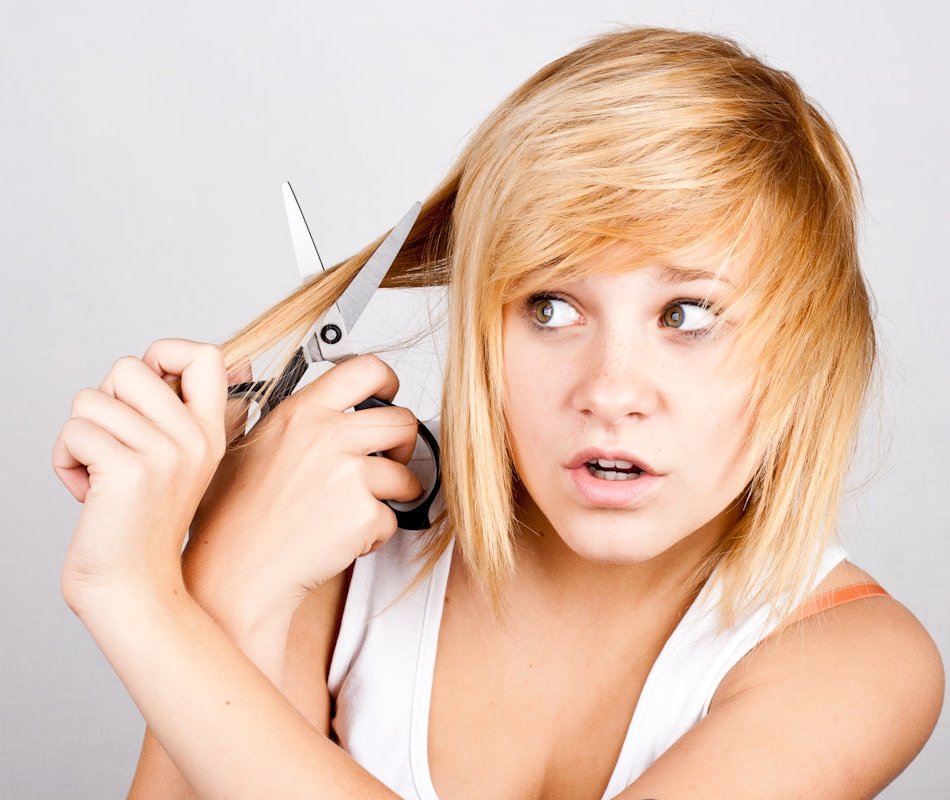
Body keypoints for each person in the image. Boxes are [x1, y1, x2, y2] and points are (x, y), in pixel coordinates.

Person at [52, 27, 943, 800]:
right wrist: (225, 586)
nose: (609, 389)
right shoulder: (336, 537)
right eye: (550, 307)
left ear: (808, 353)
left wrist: (138, 598)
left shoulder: (857, 661)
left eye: (687, 316)